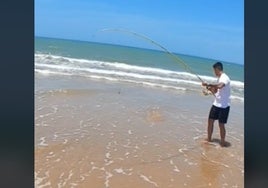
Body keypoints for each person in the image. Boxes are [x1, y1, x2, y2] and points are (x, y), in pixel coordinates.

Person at [202, 62, 231, 147]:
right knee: (210, 121)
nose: (214, 72)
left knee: (221, 125)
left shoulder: (225, 78)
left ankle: (222, 142)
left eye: (214, 70)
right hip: (216, 104)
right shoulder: (219, 78)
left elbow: (220, 86)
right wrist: (209, 89)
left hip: (224, 106)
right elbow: (216, 91)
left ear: (217, 69)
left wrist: (209, 84)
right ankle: (209, 139)